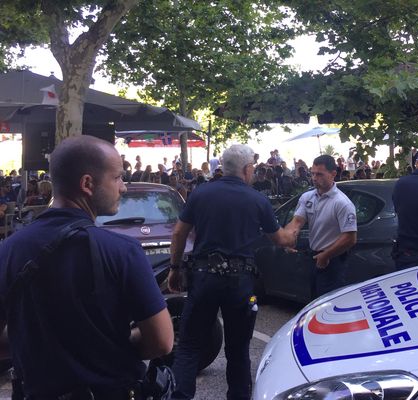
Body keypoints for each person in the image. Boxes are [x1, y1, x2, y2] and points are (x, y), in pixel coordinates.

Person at [0, 135, 173, 399]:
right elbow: (162, 341)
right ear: (87, 184)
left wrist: (43, 347)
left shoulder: (9, 250)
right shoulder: (122, 251)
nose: (123, 187)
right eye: (117, 178)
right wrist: (107, 345)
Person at [167, 144, 296, 400]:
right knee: (238, 349)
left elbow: (179, 232)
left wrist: (175, 268)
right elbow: (281, 239)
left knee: (190, 346)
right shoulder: (257, 200)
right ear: (247, 169)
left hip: (203, 277)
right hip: (240, 283)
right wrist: (296, 225)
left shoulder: (200, 193)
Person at [284, 154, 357, 297]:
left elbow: (350, 238)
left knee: (329, 303)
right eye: (313, 174)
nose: (314, 178)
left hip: (334, 259)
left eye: (320, 174)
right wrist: (288, 238)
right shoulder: (307, 197)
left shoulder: (342, 203)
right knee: (314, 300)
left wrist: (326, 255)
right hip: (314, 256)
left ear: (333, 174)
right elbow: (297, 222)